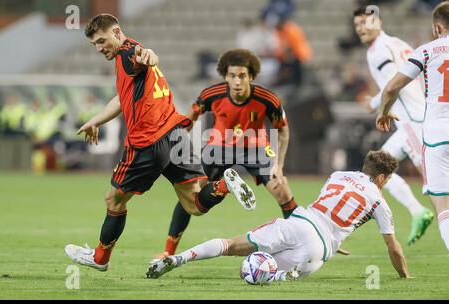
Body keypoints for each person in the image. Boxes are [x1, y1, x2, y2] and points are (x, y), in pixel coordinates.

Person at [64, 14, 256, 271]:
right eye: (94, 45)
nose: (99, 48)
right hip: (175, 135)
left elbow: (146, 56)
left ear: (117, 32)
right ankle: (223, 185)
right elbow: (123, 98)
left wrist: (150, 55)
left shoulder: (128, 53)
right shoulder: (128, 56)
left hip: (148, 142)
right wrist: (96, 120)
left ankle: (100, 259)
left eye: (101, 41)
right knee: (194, 205)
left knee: (114, 200)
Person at [147, 150, 411, 281]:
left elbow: (326, 207)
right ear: (380, 177)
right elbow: (394, 248)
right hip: (319, 252)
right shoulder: (379, 201)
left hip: (301, 222)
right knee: (256, 274)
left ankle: (179, 258)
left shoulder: (338, 175)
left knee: (230, 246)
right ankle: (282, 275)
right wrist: (404, 276)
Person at [154, 49, 297, 261]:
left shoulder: (268, 99)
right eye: (232, 76)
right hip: (218, 147)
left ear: (250, 76)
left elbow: (283, 131)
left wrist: (279, 165)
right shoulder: (211, 94)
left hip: (256, 148)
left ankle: (303, 239)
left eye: (242, 76)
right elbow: (190, 117)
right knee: (190, 194)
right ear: (225, 76)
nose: (237, 81)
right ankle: (168, 251)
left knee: (282, 192)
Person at [353, 6, 434, 245]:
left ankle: (430, 215)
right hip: (419, 115)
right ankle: (418, 212)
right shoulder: (397, 43)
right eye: (357, 25)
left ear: (377, 21)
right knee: (375, 169)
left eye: (365, 23)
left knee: (435, 182)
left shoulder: (377, 52)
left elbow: (393, 83)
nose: (360, 29)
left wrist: (376, 106)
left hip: (412, 121)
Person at [376, 2, 449, 251]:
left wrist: (384, 113)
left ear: (438, 27)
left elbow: (391, 87)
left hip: (437, 135)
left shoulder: (426, 51)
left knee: (443, 208)